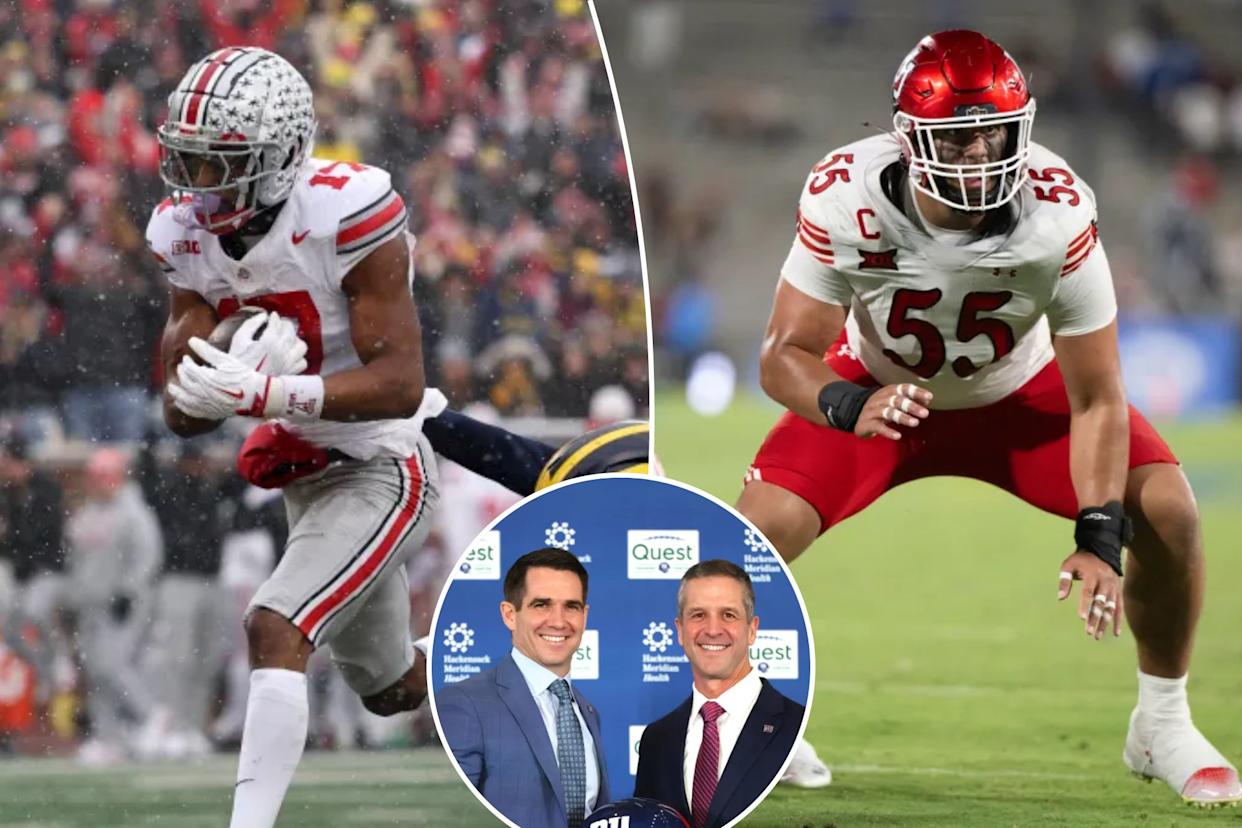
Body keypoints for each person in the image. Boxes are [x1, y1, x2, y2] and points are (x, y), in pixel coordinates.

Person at [737, 29, 1240, 806]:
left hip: (1020, 396)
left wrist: (1099, 533)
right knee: (745, 545)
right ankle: (749, 712)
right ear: (909, 139)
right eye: (957, 137)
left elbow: (1098, 395)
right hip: (882, 395)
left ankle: (1162, 723)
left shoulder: (1057, 213)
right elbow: (781, 356)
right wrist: (851, 403)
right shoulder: (847, 197)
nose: (978, 154)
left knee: (1169, 508)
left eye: (993, 134)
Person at [148, 47, 442, 827]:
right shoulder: (183, 234)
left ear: (279, 157)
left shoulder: (348, 210)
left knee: (276, 625)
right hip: (305, 471)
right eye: (188, 159)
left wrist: (270, 393)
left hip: (384, 461)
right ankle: (516, 657)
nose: (195, 184)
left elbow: (401, 382)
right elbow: (178, 413)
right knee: (391, 689)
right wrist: (208, 382)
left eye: (217, 165)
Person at [436, 547, 611, 828]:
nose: (558, 621)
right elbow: (453, 816)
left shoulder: (587, 712)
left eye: (571, 606)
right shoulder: (466, 703)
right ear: (509, 615)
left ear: (585, 616)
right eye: (541, 605)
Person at [634, 560, 804, 828]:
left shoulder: (796, 726)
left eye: (728, 615)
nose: (713, 630)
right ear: (680, 631)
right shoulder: (657, 739)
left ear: (752, 630)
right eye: (698, 615)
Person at [64, 448, 163, 765]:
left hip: (121, 602)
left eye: (104, 476)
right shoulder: (88, 512)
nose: (98, 483)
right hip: (91, 603)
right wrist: (75, 595)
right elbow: (75, 557)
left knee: (113, 665)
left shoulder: (134, 512)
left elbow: (148, 555)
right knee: (95, 671)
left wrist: (128, 590)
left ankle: (151, 715)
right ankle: (107, 737)